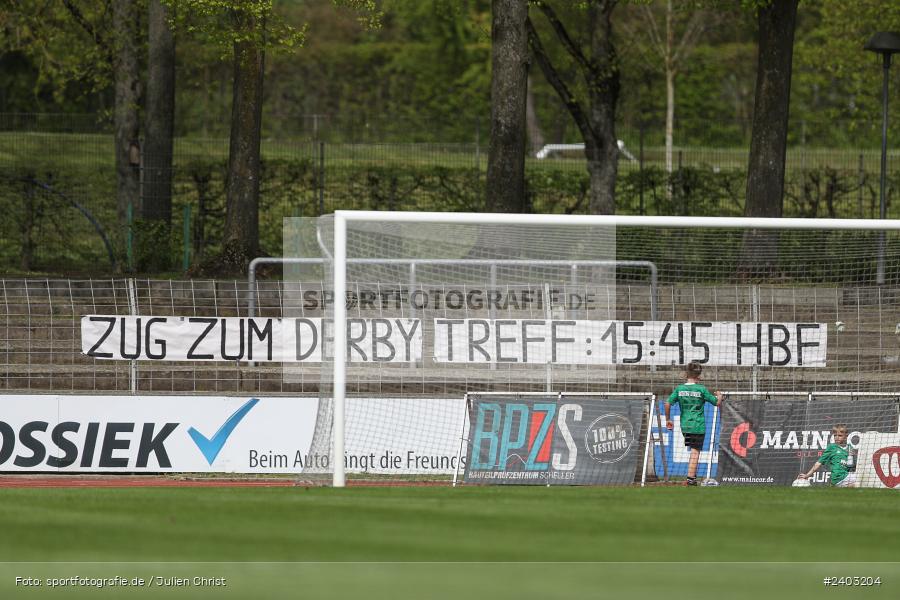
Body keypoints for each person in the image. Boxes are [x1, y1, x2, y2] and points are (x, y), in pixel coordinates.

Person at [665, 361, 724, 486]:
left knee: (693, 449)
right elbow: (716, 403)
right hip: (698, 425)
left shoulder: (680, 389)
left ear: (686, 374)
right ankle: (691, 479)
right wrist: (719, 395)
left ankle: (692, 477)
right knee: (695, 451)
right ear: (699, 375)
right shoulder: (701, 389)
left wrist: (668, 419)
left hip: (685, 425)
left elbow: (667, 403)